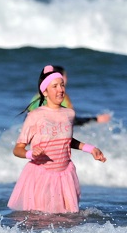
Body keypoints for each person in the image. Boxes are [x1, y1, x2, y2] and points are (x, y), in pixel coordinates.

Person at [8, 66, 106, 213]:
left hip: (65, 175)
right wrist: (31, 153)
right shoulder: (35, 115)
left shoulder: (69, 114)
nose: (60, 89)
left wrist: (90, 149)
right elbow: (18, 149)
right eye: (55, 86)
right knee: (41, 221)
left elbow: (65, 139)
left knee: (67, 221)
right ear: (45, 92)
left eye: (62, 85)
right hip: (41, 176)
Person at [24, 65, 111, 126]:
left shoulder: (38, 95)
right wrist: (96, 119)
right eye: (65, 76)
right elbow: (72, 120)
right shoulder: (60, 97)